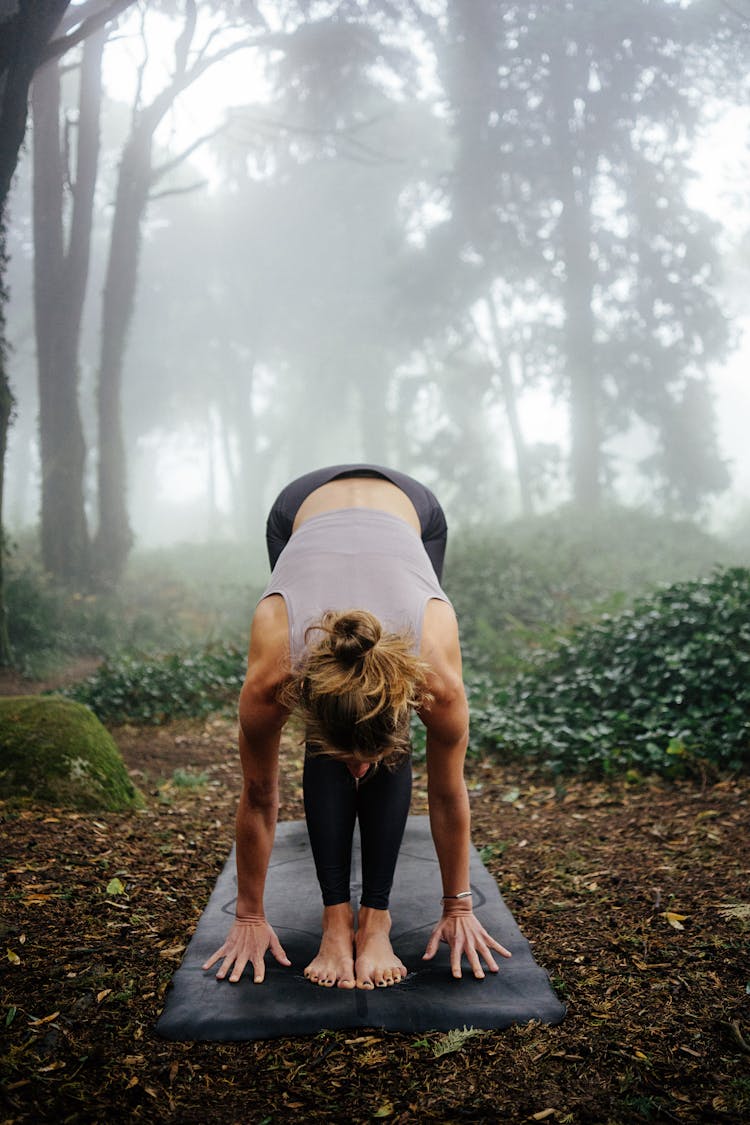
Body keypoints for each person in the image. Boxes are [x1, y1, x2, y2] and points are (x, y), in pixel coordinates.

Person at [203, 464, 511, 990]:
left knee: (365, 733)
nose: (361, 770)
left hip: (411, 509)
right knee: (340, 721)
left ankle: (376, 920)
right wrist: (249, 915)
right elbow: (258, 794)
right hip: (298, 509)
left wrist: (458, 905)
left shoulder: (434, 672)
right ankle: (334, 919)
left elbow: (446, 791)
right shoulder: (275, 670)